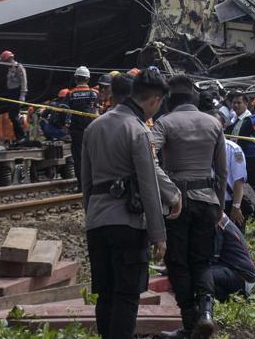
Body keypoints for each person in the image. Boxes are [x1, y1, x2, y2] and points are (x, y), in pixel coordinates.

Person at [82, 70, 180, 339]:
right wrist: (159, 235)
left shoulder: (94, 127)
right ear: (155, 100)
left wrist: (91, 216)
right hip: (127, 223)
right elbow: (149, 185)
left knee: (106, 294)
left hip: (97, 221)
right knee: (126, 296)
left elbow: (86, 183)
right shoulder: (139, 131)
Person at [151, 75, 227, 339]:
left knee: (178, 262)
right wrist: (220, 205)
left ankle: (188, 321)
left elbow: (148, 155)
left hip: (177, 204)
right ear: (193, 98)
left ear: (170, 99)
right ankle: (206, 312)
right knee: (203, 261)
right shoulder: (214, 123)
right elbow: (222, 170)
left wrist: (167, 191)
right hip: (208, 200)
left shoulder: (165, 123)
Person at [210, 212, 255, 302]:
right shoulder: (222, 219)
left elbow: (213, 257)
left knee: (201, 275)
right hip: (237, 272)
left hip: (241, 275)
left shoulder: (218, 222)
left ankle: (226, 298)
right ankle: (225, 297)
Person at [67, 66, 99, 183]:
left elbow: (67, 114)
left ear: (76, 79)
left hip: (76, 132)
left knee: (78, 158)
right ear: (88, 79)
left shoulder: (70, 94)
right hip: (92, 130)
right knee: (94, 157)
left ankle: (81, 185)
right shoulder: (94, 94)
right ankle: (94, 183)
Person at [0, 50, 27, 142]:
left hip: (17, 93)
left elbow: (24, 82)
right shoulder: (10, 68)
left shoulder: (19, 67)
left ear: (9, 59)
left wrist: (22, 96)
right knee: (11, 116)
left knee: (13, 116)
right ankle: (18, 137)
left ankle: (21, 136)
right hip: (11, 94)